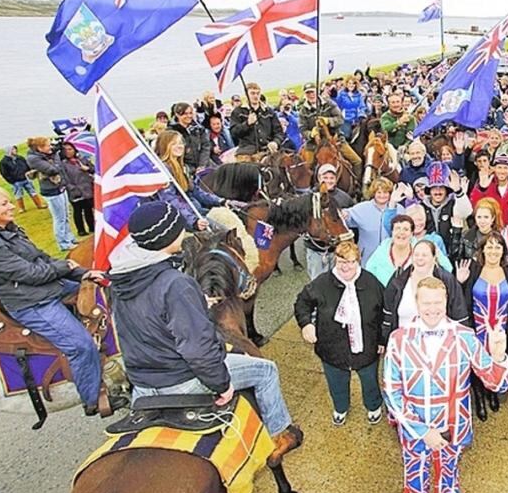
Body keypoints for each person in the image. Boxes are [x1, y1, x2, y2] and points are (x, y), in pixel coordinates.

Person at [108, 201, 302, 465]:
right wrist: (221, 385)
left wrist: (195, 301)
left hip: (142, 385)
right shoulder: (177, 284)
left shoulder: (122, 279)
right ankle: (280, 433)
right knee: (266, 370)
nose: (184, 232)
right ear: (168, 236)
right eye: (178, 228)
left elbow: (151, 311)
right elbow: (197, 350)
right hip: (180, 380)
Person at [0, 185, 116, 415]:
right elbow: (31, 274)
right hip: (33, 303)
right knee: (80, 345)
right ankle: (93, 399)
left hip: (50, 287)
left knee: (108, 298)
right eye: (4, 204)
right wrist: (66, 266)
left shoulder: (8, 230)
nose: (12, 206)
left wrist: (84, 274)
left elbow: (43, 259)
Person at [382, 277, 508, 493]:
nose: (432, 309)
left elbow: (497, 383)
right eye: (426, 303)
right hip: (415, 429)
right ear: (416, 303)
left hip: (454, 426)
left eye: (437, 302)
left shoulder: (464, 337)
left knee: (449, 472)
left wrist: (498, 357)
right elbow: (392, 392)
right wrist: (422, 431)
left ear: (447, 301)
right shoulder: (398, 340)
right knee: (415, 474)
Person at [294, 241, 385, 427]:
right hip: (332, 347)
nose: (346, 267)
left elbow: (385, 312)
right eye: (341, 261)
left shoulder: (371, 282)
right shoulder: (321, 283)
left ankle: (374, 406)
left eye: (350, 262)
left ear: (358, 261)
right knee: (336, 381)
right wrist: (306, 324)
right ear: (335, 260)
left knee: (369, 380)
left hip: (367, 346)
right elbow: (302, 303)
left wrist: (382, 339)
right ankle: (340, 407)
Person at [456, 232, 508, 420]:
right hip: (477, 329)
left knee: (497, 361)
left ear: (503, 250)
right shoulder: (472, 268)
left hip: (502, 328)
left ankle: (492, 392)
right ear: (482, 250)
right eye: (489, 246)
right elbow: (461, 300)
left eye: (498, 247)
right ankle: (479, 397)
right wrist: (460, 282)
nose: (493, 251)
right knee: (477, 364)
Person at [382, 239, 468, 336]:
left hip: (439, 343)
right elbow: (387, 314)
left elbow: (459, 313)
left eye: (424, 255)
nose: (420, 258)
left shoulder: (447, 281)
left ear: (434, 257)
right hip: (404, 343)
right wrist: (384, 340)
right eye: (416, 255)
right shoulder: (398, 279)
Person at [153, 131, 222, 231]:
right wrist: (194, 221)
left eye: (181, 143)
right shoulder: (163, 170)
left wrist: (220, 201)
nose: (180, 146)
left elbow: (196, 190)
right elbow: (171, 201)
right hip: (183, 219)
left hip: (196, 210)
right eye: (174, 144)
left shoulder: (182, 167)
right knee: (223, 232)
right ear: (164, 146)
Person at [25, 136, 78, 251]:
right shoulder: (34, 158)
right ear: (40, 147)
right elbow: (52, 170)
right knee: (59, 218)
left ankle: (69, 238)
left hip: (60, 186)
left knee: (66, 215)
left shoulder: (48, 155)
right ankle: (63, 243)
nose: (51, 147)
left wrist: (55, 153)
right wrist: (55, 157)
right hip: (51, 191)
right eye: (48, 145)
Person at [343, 177, 400, 265]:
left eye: (385, 192)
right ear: (374, 193)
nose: (382, 196)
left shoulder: (399, 209)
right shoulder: (362, 208)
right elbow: (347, 217)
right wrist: (345, 214)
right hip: (366, 258)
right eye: (379, 192)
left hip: (391, 257)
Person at [229, 83, 284, 158]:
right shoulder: (238, 112)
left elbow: (279, 132)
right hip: (247, 151)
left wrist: (275, 142)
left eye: (258, 93)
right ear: (246, 95)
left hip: (268, 149)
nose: (256, 96)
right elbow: (234, 133)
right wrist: (247, 124)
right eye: (252, 93)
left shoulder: (269, 112)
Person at [59, 143, 94, 236]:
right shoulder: (63, 164)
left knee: (88, 209)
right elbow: (64, 179)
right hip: (75, 190)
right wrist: (72, 188)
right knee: (78, 211)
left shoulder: (82, 160)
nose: (68, 152)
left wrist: (87, 168)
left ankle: (92, 227)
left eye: (70, 149)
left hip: (87, 188)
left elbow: (93, 169)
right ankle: (81, 230)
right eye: (65, 150)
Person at [167, 102, 213, 173]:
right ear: (177, 114)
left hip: (203, 163)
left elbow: (206, 146)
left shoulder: (199, 128)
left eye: (190, 113)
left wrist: (202, 165)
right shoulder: (171, 132)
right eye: (185, 113)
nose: (189, 116)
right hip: (184, 167)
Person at [0, 145, 45, 212]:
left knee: (33, 192)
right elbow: (4, 173)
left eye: (15, 149)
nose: (15, 151)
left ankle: (39, 205)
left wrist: (30, 174)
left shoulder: (20, 158)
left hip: (26, 179)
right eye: (13, 150)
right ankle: (22, 208)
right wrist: (12, 181)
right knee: (18, 195)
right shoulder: (3, 162)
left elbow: (27, 165)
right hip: (16, 182)